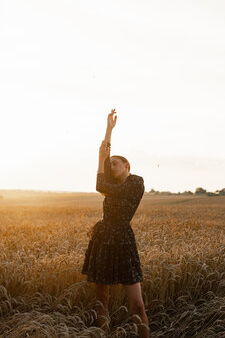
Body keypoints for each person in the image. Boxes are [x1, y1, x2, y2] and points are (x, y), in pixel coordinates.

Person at [81, 109, 150, 338]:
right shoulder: (109, 185)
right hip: (103, 238)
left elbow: (102, 186)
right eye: (109, 165)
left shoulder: (136, 182)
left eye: (116, 164)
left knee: (137, 304)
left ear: (127, 166)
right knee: (102, 297)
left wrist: (101, 176)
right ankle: (102, 333)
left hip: (123, 239)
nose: (111, 166)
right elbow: (103, 153)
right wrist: (109, 129)